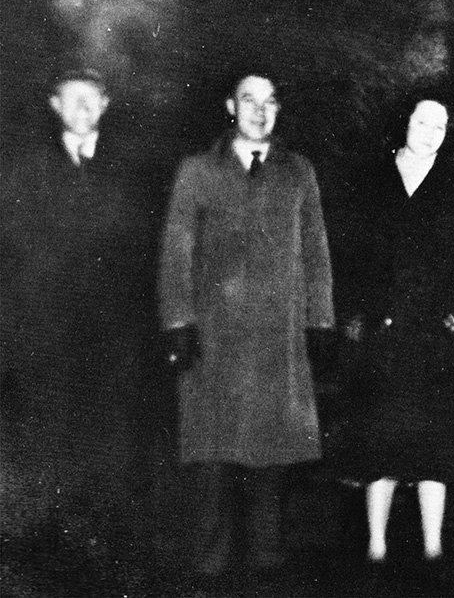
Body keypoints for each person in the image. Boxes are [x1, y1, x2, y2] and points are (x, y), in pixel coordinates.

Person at [157, 70, 336, 577]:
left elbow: (317, 252)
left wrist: (320, 322)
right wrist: (178, 322)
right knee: (213, 455)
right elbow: (176, 252)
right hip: (214, 336)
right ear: (230, 107)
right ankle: (208, 567)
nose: (261, 111)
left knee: (273, 455)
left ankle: (268, 564)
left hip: (278, 337)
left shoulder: (298, 171)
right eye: (249, 100)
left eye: (271, 102)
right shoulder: (197, 170)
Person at [0, 68, 155, 556]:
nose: (83, 108)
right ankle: (49, 540)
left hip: (113, 335)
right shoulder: (24, 173)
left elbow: (145, 254)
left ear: (106, 105)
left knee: (111, 437)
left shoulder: (133, 172)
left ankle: (109, 538)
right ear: (55, 106)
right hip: (47, 333)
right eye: (72, 99)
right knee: (49, 430)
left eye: (92, 99)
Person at [339, 92, 454, 569]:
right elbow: (345, 254)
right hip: (382, 333)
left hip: (435, 337)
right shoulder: (370, 180)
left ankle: (432, 547)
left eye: (440, 127)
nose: (430, 133)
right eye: (423, 122)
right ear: (403, 122)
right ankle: (376, 547)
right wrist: (352, 314)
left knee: (435, 445)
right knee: (378, 442)